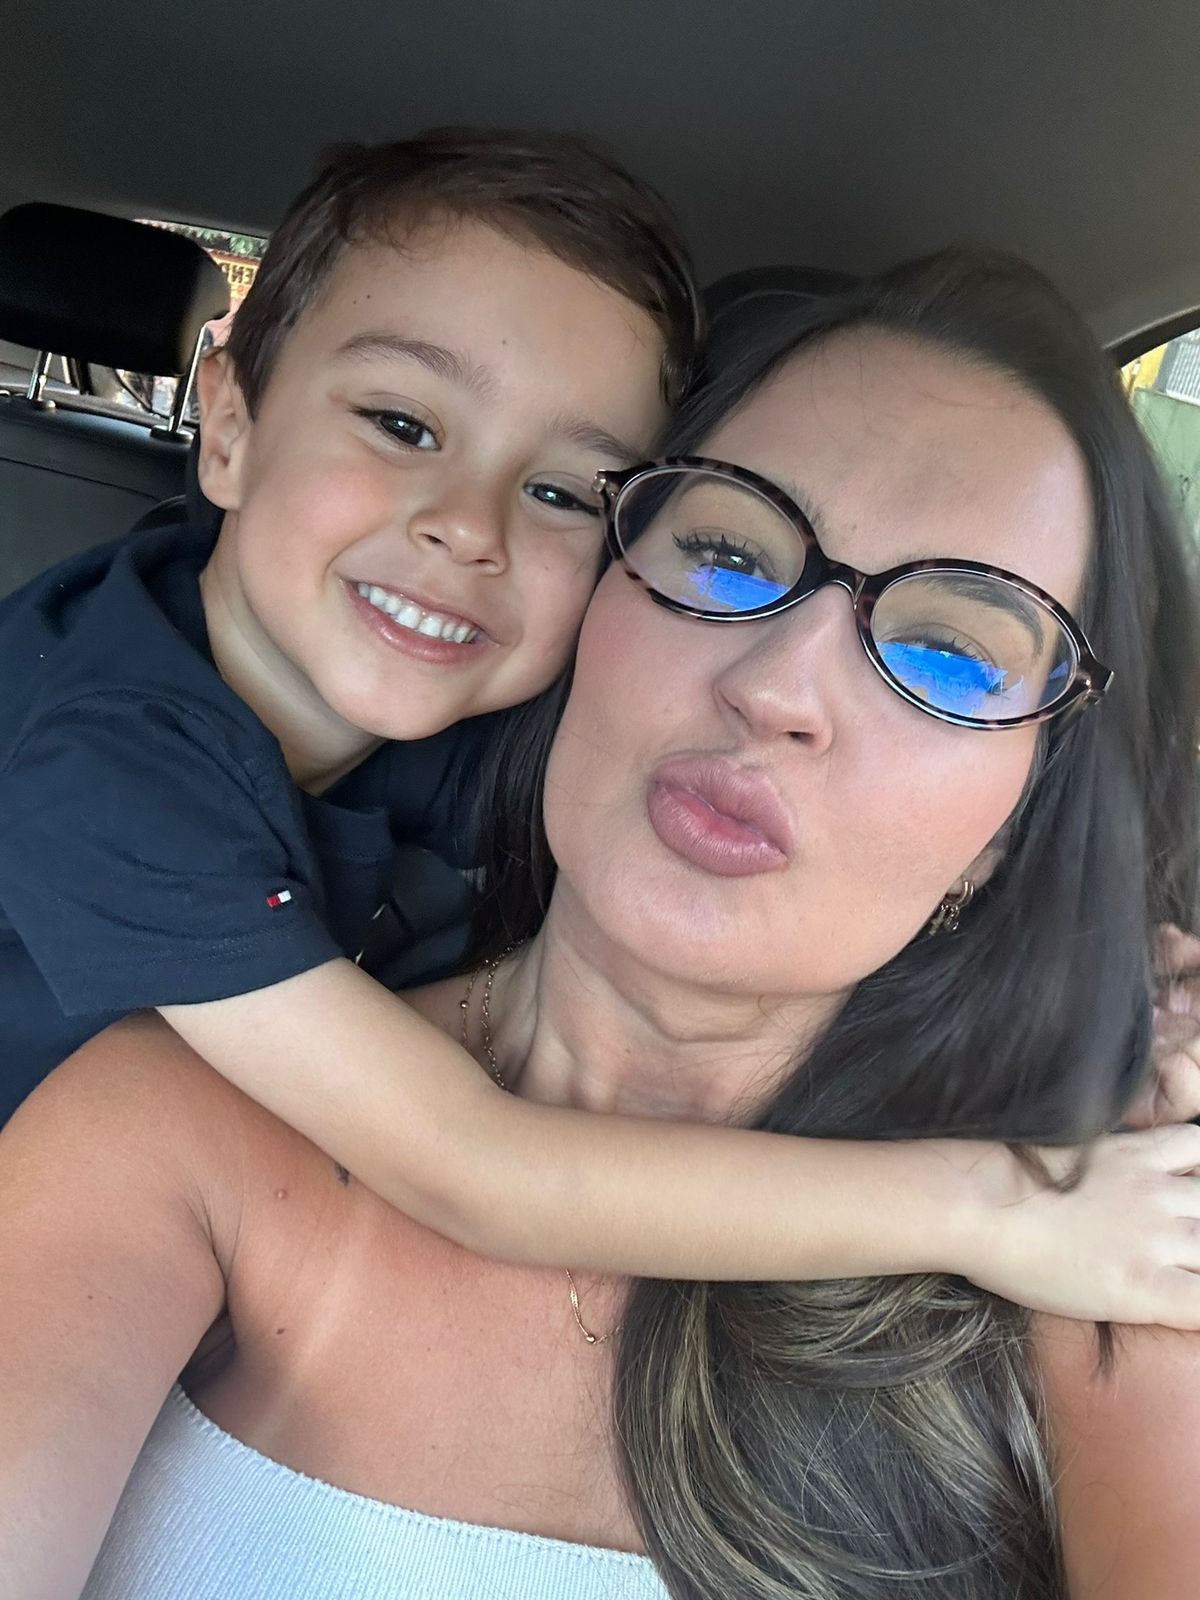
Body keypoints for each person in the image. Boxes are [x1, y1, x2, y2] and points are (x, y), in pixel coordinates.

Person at [3, 243, 1199, 1600]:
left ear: (1016, 828)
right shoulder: (178, 1104)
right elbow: (474, 1165)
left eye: (949, 654)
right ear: (592, 609)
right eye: (729, 555)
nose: (777, 689)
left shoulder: (1111, 1237)